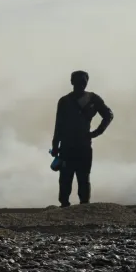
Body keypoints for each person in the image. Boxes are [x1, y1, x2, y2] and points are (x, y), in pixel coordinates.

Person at [51, 70, 113, 207]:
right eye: (78, 81)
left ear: (87, 82)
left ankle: (84, 206)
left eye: (83, 81)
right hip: (67, 146)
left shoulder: (93, 99)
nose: (81, 84)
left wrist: (97, 132)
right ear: (72, 82)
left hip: (83, 145)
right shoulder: (65, 101)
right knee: (66, 179)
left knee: (83, 178)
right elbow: (58, 126)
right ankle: (65, 205)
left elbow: (108, 115)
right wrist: (55, 145)